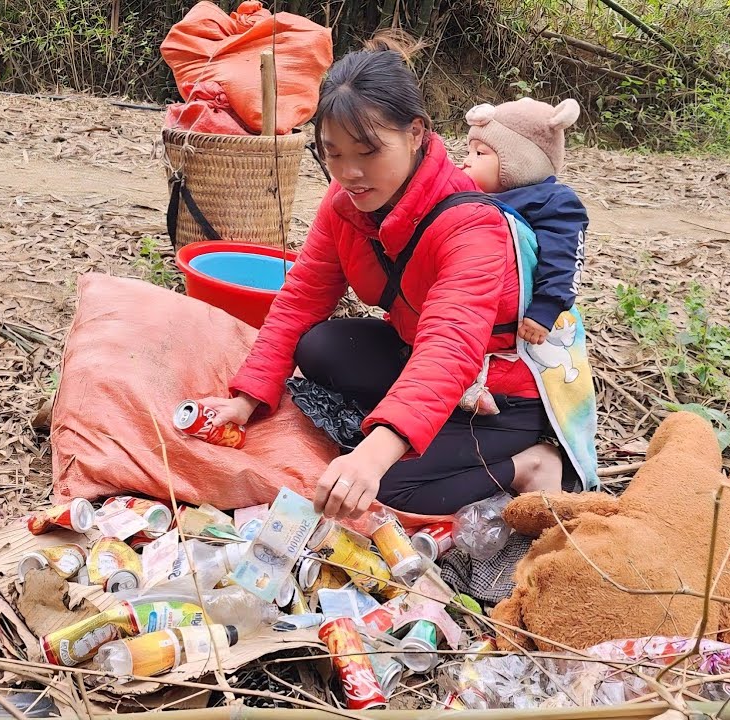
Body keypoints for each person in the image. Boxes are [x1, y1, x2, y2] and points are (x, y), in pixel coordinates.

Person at [197, 36, 563, 521]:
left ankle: (530, 464)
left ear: (416, 133)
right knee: (321, 345)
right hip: (422, 359)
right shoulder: (344, 203)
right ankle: (414, 423)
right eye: (333, 154)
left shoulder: (472, 225)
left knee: (389, 486)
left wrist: (375, 453)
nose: (350, 173)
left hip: (501, 391)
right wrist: (247, 398)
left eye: (368, 152)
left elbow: (450, 346)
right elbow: (302, 298)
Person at [460, 97, 589, 346]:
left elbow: (565, 259)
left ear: (520, 162)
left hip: (524, 323)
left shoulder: (554, 202)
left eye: (479, 153)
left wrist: (545, 310)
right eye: (468, 151)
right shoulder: (472, 195)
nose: (467, 160)